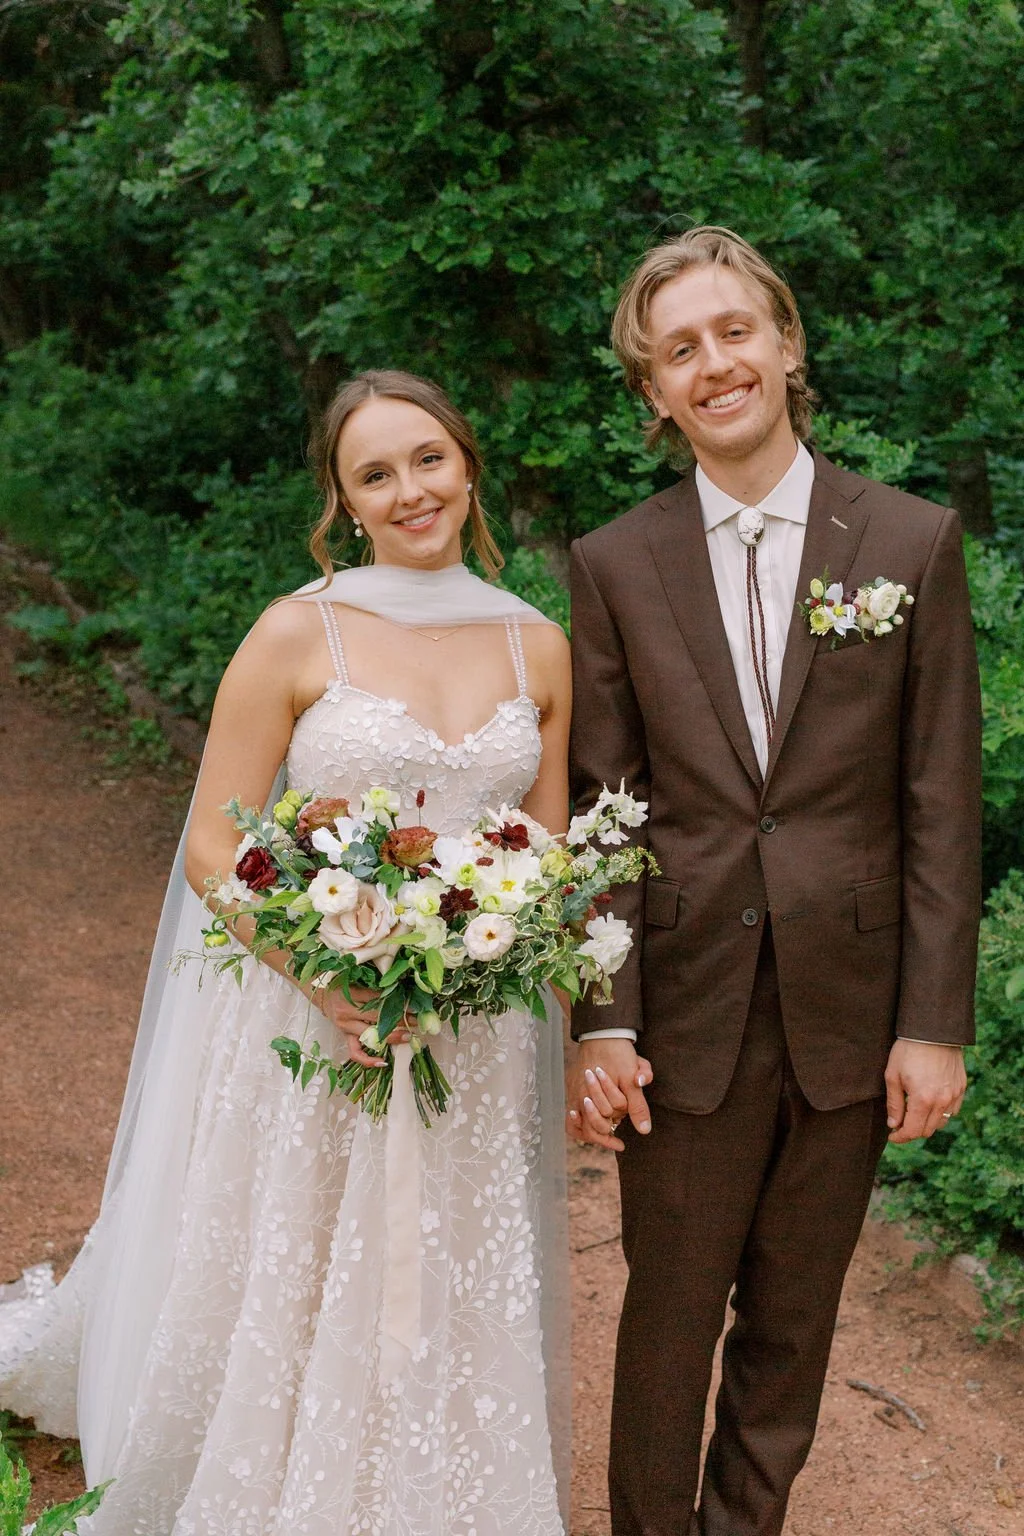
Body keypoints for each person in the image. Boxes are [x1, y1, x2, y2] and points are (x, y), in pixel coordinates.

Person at [0, 370, 572, 1535]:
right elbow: (214, 838)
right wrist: (325, 974)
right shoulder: (293, 631)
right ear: (342, 500)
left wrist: (477, 955)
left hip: (470, 1019)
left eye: (428, 459)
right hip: (309, 1005)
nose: (410, 490)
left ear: (467, 466)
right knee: (295, 1245)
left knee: (441, 1258)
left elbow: (546, 845)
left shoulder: (538, 647)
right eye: (376, 474)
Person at [566, 227, 982, 1536]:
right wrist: (602, 1014)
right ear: (655, 393)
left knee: (793, 1328)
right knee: (668, 1325)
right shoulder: (614, 564)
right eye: (678, 350)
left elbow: (938, 799)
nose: (713, 362)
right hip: (681, 1017)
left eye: (732, 331)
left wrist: (933, 1021)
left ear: (786, 344)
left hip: (852, 1016)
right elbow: (597, 807)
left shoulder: (911, 543)